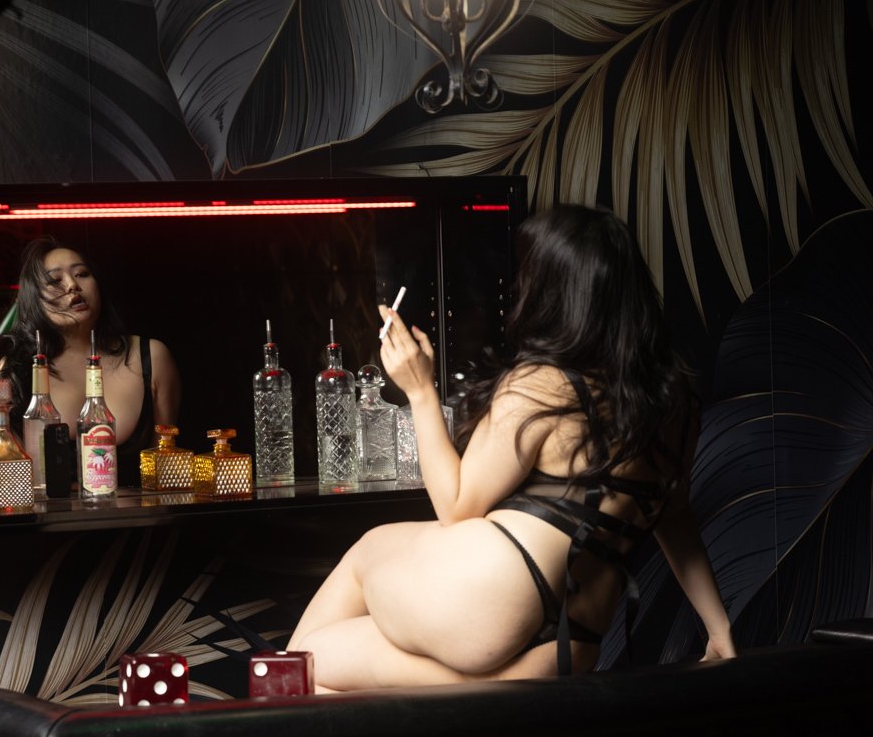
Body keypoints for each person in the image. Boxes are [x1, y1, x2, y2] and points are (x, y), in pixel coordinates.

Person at [286, 205, 736, 692]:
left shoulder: (543, 385)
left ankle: (286, 693)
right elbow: (675, 518)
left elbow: (457, 507)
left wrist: (419, 390)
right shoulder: (674, 406)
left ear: (552, 293)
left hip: (489, 601)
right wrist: (719, 628)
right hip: (568, 646)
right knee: (318, 677)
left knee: (319, 636)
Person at [0, 235, 181, 488]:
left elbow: (164, 471)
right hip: (45, 514)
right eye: (54, 280)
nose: (72, 285)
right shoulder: (14, 368)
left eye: (82, 274)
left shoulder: (151, 357)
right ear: (34, 299)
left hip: (134, 513)